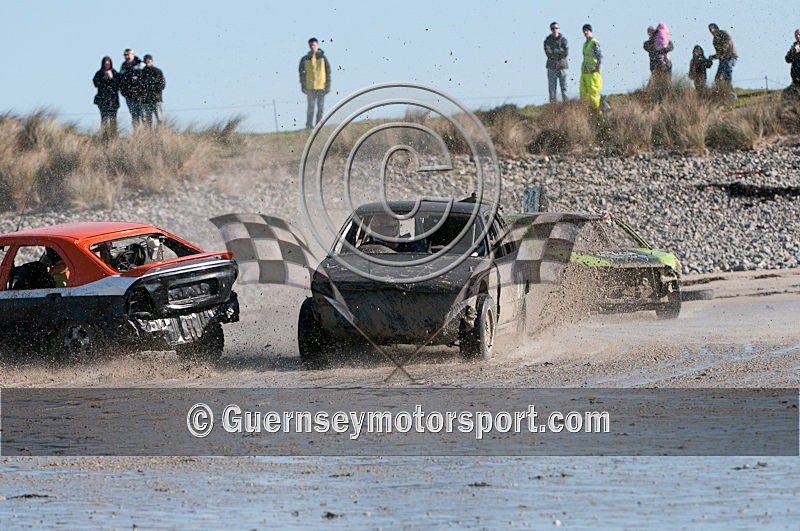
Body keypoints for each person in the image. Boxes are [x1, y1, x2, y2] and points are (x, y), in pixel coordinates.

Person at [299, 37, 331, 130]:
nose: (312, 46)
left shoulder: (323, 58)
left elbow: (328, 72)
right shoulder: (304, 59)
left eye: (314, 44)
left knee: (320, 108)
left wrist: (327, 86)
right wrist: (303, 85)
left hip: (321, 86)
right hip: (310, 87)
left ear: (317, 45)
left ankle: (319, 126)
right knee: (311, 108)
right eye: (311, 45)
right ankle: (309, 126)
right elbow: (301, 74)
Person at [92, 56, 120, 140]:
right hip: (102, 100)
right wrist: (103, 78)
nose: (107, 65)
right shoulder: (99, 73)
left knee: (113, 119)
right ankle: (104, 136)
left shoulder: (115, 73)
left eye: (108, 63)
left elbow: (118, 84)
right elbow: (95, 83)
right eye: (105, 63)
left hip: (113, 100)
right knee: (104, 119)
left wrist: (111, 78)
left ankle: (114, 136)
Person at [708, 23, 738, 100]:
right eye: (710, 29)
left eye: (713, 28)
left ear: (716, 28)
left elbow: (728, 43)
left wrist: (723, 53)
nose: (711, 30)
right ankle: (720, 95)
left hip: (731, 56)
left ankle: (732, 96)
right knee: (717, 78)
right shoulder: (714, 40)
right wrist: (712, 57)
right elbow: (719, 54)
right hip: (723, 59)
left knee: (727, 75)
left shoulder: (723, 33)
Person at [544, 21, 569, 103]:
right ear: (550, 30)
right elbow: (548, 53)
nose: (555, 30)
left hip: (562, 67)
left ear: (559, 29)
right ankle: (553, 108)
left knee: (565, 89)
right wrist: (559, 53)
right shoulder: (547, 40)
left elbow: (565, 53)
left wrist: (555, 52)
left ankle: (567, 107)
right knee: (552, 90)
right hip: (551, 67)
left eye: (556, 28)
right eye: (553, 28)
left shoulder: (564, 40)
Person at [139, 54, 166, 129]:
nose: (148, 61)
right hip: (145, 100)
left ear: (152, 61)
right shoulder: (141, 73)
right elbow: (139, 86)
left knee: (159, 118)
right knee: (146, 120)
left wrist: (153, 89)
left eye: (149, 60)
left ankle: (160, 133)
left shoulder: (158, 71)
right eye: (146, 60)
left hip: (156, 99)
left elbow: (162, 85)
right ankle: (148, 135)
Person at [118, 48, 144, 127]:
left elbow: (145, 78)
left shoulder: (140, 64)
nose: (127, 57)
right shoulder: (123, 66)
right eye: (125, 55)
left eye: (128, 54)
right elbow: (120, 80)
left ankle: (147, 134)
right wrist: (123, 92)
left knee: (143, 115)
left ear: (133, 54)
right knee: (134, 116)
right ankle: (137, 135)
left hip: (140, 94)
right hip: (129, 96)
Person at [580, 24, 603, 111]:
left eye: (587, 30)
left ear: (591, 31)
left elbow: (600, 57)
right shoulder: (585, 44)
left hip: (593, 74)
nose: (585, 32)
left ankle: (598, 114)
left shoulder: (594, 43)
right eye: (584, 31)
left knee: (594, 95)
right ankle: (588, 112)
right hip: (585, 73)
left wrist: (596, 69)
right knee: (583, 94)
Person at [785, 28, 800, 94]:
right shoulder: (794, 47)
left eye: (799, 34)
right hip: (795, 76)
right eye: (796, 35)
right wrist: (793, 52)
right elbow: (787, 59)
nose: (797, 36)